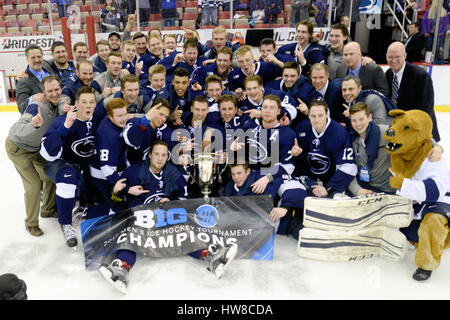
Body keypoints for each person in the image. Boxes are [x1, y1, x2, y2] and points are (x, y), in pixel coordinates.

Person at [98, 140, 238, 294]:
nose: (160, 158)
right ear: (150, 155)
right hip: (141, 220)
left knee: (183, 226)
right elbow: (118, 205)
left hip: (165, 220)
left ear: (167, 157)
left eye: (164, 155)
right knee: (130, 231)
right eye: (156, 154)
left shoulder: (174, 173)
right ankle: (120, 269)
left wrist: (172, 203)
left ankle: (211, 256)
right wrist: (118, 192)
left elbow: (183, 202)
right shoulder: (133, 171)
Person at [40, 86, 104, 249]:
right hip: (61, 164)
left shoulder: (97, 116)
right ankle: (65, 223)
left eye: (91, 102)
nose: (88, 106)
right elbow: (46, 153)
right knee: (68, 179)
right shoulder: (62, 121)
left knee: (96, 194)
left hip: (84, 165)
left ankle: (79, 202)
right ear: (76, 103)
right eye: (84, 102)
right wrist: (66, 126)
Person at [5, 75, 66, 236]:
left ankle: (47, 209)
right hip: (19, 149)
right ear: (43, 92)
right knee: (33, 184)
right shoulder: (35, 107)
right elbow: (17, 130)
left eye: (57, 90)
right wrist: (33, 125)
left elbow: (62, 101)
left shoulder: (58, 103)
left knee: (49, 176)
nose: (54, 93)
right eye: (50, 91)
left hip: (36, 149)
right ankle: (31, 223)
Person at [225, 162, 307, 239]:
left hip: (291, 220)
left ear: (248, 171)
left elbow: (295, 186)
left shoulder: (263, 177)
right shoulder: (229, 188)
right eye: (233, 174)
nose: (236, 177)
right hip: (256, 233)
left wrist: (285, 207)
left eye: (239, 173)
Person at [293, 99, 357, 198]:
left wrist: (328, 187)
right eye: (313, 116)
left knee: (339, 201)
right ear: (308, 114)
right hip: (308, 179)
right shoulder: (301, 128)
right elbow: (299, 163)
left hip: (331, 181)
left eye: (320, 115)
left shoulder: (339, 133)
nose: (316, 119)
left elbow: (349, 167)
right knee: (298, 198)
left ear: (327, 114)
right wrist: (298, 155)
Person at [385, 41, 440, 142]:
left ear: (405, 56)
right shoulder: (389, 74)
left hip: (420, 132)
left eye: (397, 57)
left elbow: (426, 108)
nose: (393, 60)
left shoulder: (420, 76)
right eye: (390, 57)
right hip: (400, 130)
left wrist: (415, 130)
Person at [16, 45, 54, 114]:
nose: (37, 60)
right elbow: (21, 108)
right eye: (33, 58)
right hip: (41, 120)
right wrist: (31, 99)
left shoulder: (47, 66)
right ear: (27, 59)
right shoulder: (23, 81)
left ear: (42, 57)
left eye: (39, 57)